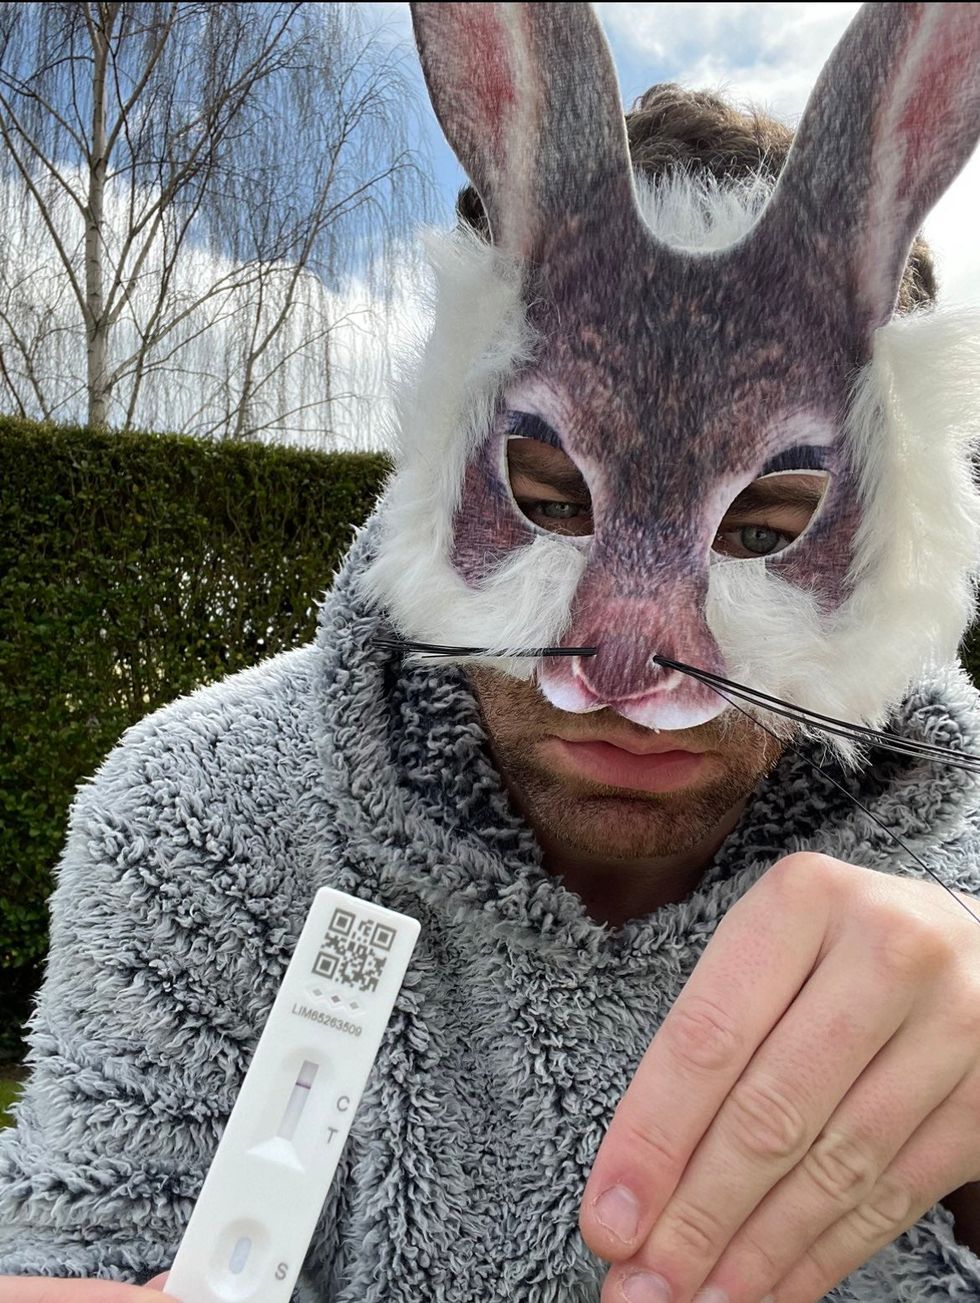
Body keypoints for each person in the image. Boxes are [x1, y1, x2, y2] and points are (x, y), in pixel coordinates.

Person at [2, 3, 980, 1301]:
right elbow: (80, 1244)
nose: (627, 666)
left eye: (770, 521)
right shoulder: (194, 812)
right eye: (550, 495)